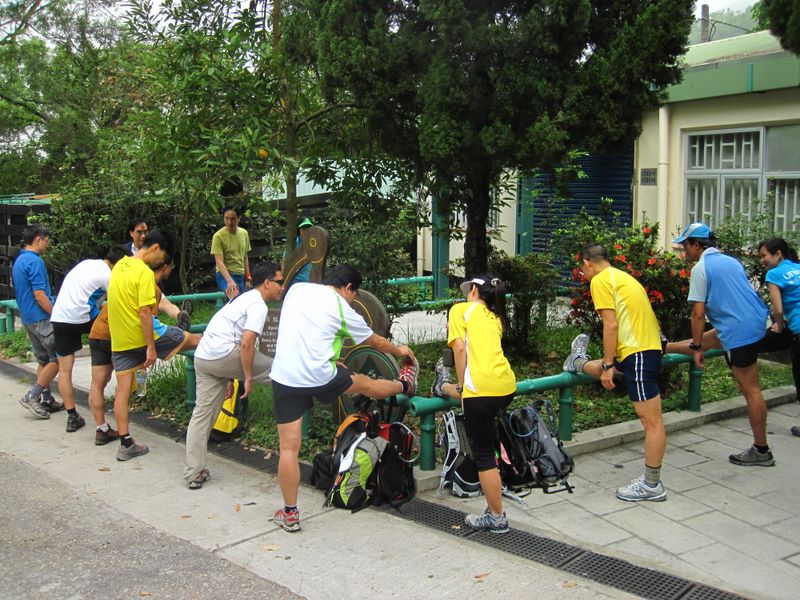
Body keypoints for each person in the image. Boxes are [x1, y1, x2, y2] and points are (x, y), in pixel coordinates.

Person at [269, 264, 418, 532]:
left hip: (285, 376)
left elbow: (307, 328)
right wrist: (401, 351)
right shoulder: (342, 308)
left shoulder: (297, 289)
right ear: (348, 288)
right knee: (366, 384)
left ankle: (290, 513)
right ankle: (405, 384)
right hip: (319, 375)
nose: (352, 300)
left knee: (289, 449)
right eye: (353, 295)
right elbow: (376, 343)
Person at [562, 245, 668, 502]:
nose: (582, 273)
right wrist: (610, 363)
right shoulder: (623, 277)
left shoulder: (600, 280)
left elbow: (611, 324)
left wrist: (609, 365)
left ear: (587, 262)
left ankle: (651, 485)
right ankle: (576, 361)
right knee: (603, 367)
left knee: (651, 422)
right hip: (643, 349)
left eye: (581, 268)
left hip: (638, 352)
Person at [671, 222, 774, 466]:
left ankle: (761, 450)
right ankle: (662, 347)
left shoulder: (701, 268)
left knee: (751, 390)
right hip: (755, 322)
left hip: (738, 331)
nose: (684, 251)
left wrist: (697, 348)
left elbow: (697, 315)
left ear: (697, 245)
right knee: (707, 340)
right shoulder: (731, 261)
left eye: (686, 245)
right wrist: (699, 344)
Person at [183, 262, 284, 489]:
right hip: (224, 354)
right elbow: (247, 343)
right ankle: (320, 387)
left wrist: (229, 376)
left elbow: (227, 332)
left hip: (204, 357)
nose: (283, 287)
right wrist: (246, 378)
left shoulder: (240, 298)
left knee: (202, 415)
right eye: (280, 282)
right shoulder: (258, 305)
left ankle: (194, 473)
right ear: (267, 283)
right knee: (282, 370)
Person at [430, 275, 517, 532]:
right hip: (506, 386)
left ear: (475, 290)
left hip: (481, 389)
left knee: (483, 456)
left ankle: (497, 517)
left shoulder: (460, 310)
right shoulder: (495, 317)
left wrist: (463, 385)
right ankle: (442, 385)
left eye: (469, 289)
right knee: (488, 443)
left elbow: (459, 349)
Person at [89, 255, 198, 446]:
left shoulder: (123, 280)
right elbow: (152, 312)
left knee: (99, 384)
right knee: (132, 372)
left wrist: (179, 314)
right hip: (120, 335)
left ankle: (102, 429)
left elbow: (163, 304)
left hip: (98, 333)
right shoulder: (146, 284)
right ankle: (140, 393)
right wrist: (179, 319)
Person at [107, 229, 191, 461]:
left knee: (122, 392)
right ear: (155, 248)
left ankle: (125, 443)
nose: (161, 262)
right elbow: (145, 312)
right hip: (143, 338)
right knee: (194, 341)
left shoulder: (120, 266)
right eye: (162, 257)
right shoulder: (144, 272)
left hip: (121, 340)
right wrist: (151, 348)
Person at [50, 244, 130, 433]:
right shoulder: (110, 275)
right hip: (83, 316)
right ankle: (107, 380)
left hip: (60, 317)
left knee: (64, 370)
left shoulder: (87, 263)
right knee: (106, 339)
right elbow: (119, 303)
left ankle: (72, 416)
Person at [13, 225, 63, 418]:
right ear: (38, 239)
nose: (47, 245)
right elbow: (40, 295)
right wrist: (55, 314)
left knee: (43, 359)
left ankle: (46, 399)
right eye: (46, 241)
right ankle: (32, 396)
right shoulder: (35, 262)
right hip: (41, 317)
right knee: (57, 359)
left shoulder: (19, 260)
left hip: (27, 317)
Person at [211, 206, 251, 299]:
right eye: (226, 218)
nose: (229, 222)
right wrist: (229, 281)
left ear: (239, 218)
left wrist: (248, 277)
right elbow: (219, 261)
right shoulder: (218, 236)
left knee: (243, 301)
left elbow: (245, 257)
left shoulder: (244, 233)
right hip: (224, 275)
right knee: (234, 297)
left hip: (240, 274)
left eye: (233, 219)